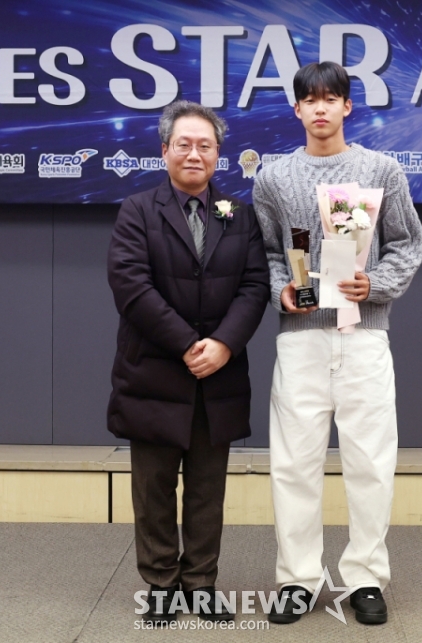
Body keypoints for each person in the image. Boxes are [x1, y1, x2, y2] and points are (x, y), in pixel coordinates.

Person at [252, 62, 422, 625]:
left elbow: (407, 245)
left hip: (365, 335)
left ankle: (365, 578)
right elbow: (272, 255)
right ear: (296, 109)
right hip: (301, 341)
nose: (321, 108)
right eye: (311, 100)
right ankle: (297, 579)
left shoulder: (380, 169)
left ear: (348, 107)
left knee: (370, 462)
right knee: (293, 463)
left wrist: (375, 284)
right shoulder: (273, 178)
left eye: (332, 99)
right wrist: (282, 293)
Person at [107, 100, 270, 624]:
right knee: (153, 488)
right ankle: (160, 584)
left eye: (205, 145)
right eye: (184, 144)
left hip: (217, 376)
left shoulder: (239, 216)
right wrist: (186, 343)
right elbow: (131, 286)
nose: (194, 153)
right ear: (165, 151)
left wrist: (222, 344)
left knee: (206, 488)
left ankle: (201, 583)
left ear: (219, 155)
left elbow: (254, 286)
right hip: (154, 372)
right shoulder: (136, 210)